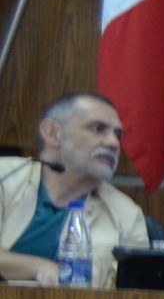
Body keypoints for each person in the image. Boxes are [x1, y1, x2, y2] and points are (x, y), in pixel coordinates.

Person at [0, 91, 150, 287]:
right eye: (97, 129)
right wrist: (40, 268)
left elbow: (133, 298)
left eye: (118, 135)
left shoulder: (128, 216)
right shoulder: (5, 178)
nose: (113, 143)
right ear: (53, 133)